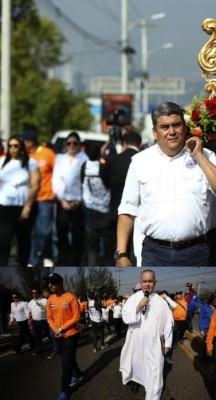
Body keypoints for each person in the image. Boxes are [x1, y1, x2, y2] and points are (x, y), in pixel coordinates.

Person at [115, 102, 216, 266]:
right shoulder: (140, 161)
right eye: (165, 127)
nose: (171, 132)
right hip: (154, 253)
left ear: (185, 128)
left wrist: (199, 156)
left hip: (196, 252)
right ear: (155, 133)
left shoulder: (206, 156)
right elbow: (128, 210)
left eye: (176, 125)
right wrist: (121, 254)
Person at [119, 270, 173, 398]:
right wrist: (138, 307)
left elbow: (168, 323)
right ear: (140, 282)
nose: (147, 284)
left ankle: (152, 395)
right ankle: (138, 382)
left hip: (154, 345)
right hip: (136, 343)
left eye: (150, 281)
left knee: (155, 372)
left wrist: (168, 343)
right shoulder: (133, 299)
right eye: (144, 281)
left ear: (155, 282)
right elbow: (126, 318)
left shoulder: (162, 302)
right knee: (137, 367)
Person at [101, 131, 142, 261]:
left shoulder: (113, 159)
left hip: (114, 209)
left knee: (113, 248)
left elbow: (105, 181)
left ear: (124, 143)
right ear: (140, 144)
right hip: (138, 214)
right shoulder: (143, 160)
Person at [0, 135, 40, 266]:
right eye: (10, 146)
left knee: (23, 240)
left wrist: (28, 207)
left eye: (15, 146)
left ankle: (23, 266)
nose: (12, 149)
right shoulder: (2, 162)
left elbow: (35, 184)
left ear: (21, 147)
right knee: (4, 240)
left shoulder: (30, 162)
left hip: (22, 206)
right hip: (4, 206)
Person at [52, 131, 88, 265]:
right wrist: (62, 200)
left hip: (78, 202)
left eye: (74, 143)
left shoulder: (84, 159)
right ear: (65, 145)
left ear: (79, 145)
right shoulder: (60, 158)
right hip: (63, 202)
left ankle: (75, 261)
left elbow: (85, 183)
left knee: (77, 234)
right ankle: (63, 260)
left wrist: (78, 201)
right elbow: (56, 180)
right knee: (61, 233)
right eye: (69, 143)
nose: (71, 146)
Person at [45, 272, 83, 400]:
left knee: (65, 362)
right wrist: (55, 329)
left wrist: (61, 328)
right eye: (49, 283)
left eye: (53, 282)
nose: (50, 285)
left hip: (71, 334)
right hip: (57, 334)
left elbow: (76, 317)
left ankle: (64, 389)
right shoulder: (51, 299)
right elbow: (49, 317)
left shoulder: (70, 297)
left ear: (61, 283)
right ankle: (77, 373)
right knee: (69, 357)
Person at [23, 129, 56, 267]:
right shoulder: (24, 155)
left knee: (44, 231)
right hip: (28, 200)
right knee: (32, 232)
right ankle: (37, 259)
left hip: (45, 198)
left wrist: (55, 192)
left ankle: (42, 257)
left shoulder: (47, 153)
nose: (22, 143)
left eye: (24, 141)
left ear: (30, 142)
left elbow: (57, 172)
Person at [81, 141, 113, 265]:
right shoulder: (104, 166)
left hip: (90, 209)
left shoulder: (84, 166)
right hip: (106, 210)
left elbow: (81, 183)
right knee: (108, 246)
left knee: (92, 246)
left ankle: (92, 265)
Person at [28, 288, 49, 355]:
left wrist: (41, 306)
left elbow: (49, 310)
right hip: (35, 322)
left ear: (39, 293)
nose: (34, 294)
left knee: (50, 335)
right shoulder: (30, 302)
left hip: (44, 321)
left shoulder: (44, 300)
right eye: (33, 293)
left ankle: (57, 348)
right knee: (37, 337)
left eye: (36, 293)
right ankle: (39, 349)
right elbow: (30, 312)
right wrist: (29, 320)